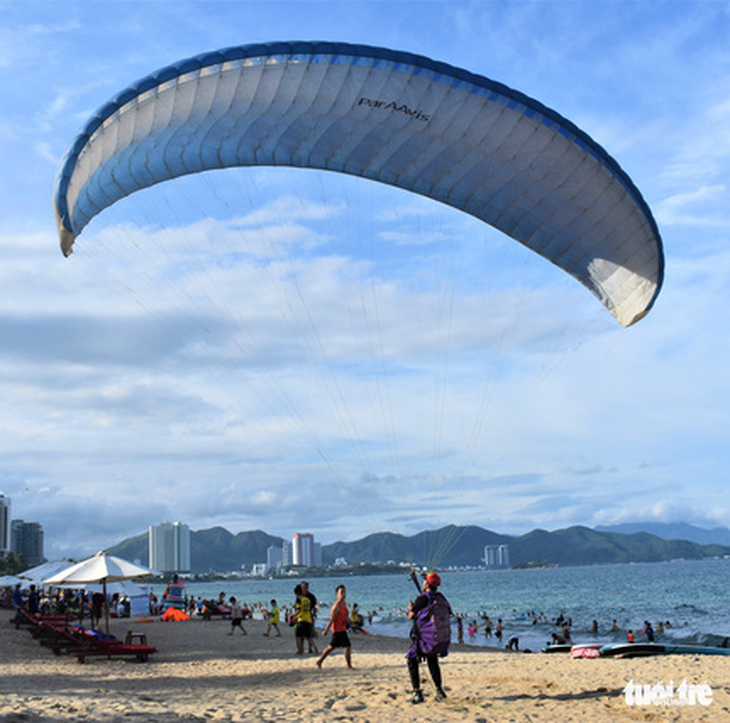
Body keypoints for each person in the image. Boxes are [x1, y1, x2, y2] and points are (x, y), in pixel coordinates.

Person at [406, 572, 451, 704]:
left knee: (411, 659)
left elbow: (411, 616)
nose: (423, 582)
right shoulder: (441, 597)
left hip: (423, 637)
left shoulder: (423, 598)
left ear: (427, 584)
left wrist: (410, 609)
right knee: (432, 660)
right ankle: (439, 690)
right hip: (435, 638)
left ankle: (417, 692)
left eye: (425, 581)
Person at [316, 584, 353, 669]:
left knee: (334, 647)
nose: (343, 594)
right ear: (337, 594)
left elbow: (345, 616)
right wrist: (325, 630)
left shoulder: (344, 604)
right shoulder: (336, 606)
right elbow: (332, 619)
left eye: (344, 592)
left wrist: (352, 623)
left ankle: (320, 661)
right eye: (341, 592)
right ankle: (349, 665)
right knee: (342, 646)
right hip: (337, 630)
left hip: (342, 628)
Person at [294, 584, 318, 655]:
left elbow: (299, 609)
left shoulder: (308, 597)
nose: (304, 588)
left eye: (305, 587)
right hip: (307, 618)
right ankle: (311, 648)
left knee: (300, 635)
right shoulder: (306, 599)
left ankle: (303, 650)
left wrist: (292, 615)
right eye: (303, 587)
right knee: (307, 636)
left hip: (304, 618)